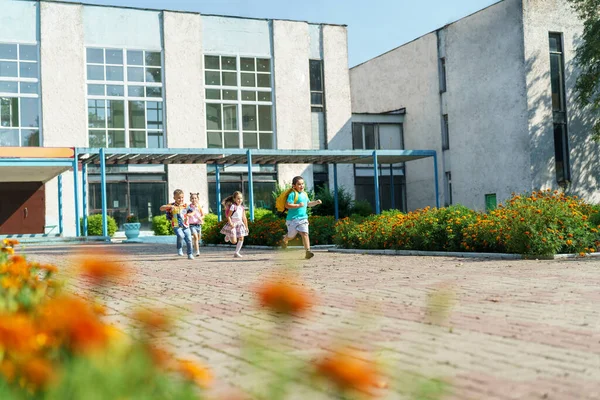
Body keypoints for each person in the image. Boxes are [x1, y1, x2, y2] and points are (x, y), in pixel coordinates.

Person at [280, 176, 322, 259]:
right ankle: (285, 239)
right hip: (292, 219)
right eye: (299, 184)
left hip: (303, 218)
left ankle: (308, 252)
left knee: (305, 234)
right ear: (294, 186)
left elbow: (308, 204)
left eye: (303, 184)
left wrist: (316, 202)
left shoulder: (304, 194)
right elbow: (287, 205)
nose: (301, 186)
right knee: (291, 236)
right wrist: (298, 205)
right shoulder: (292, 194)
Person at [160, 189, 194, 260]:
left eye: (182, 197)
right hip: (176, 225)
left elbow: (192, 212)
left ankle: (190, 254)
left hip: (186, 225)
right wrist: (169, 207)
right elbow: (161, 208)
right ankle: (179, 248)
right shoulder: (172, 205)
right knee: (180, 235)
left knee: (189, 240)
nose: (180, 199)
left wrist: (188, 215)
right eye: (178, 198)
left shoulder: (185, 205)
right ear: (174, 198)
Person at [219, 191, 249, 258]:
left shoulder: (242, 207)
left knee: (241, 238)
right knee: (234, 242)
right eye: (238, 198)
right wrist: (231, 223)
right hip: (233, 224)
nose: (239, 200)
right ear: (234, 199)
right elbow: (228, 216)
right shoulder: (233, 206)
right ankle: (228, 235)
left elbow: (244, 218)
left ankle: (236, 252)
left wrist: (246, 227)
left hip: (240, 224)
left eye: (241, 198)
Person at [187, 192, 205, 257]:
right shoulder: (189, 207)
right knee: (196, 237)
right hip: (192, 225)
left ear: (197, 199)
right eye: (192, 198)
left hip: (198, 224)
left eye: (195, 198)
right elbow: (188, 214)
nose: (194, 199)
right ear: (190, 199)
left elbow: (203, 215)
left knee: (199, 238)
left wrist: (201, 218)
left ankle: (193, 240)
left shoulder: (199, 207)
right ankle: (197, 252)